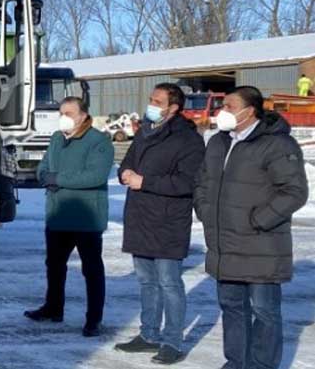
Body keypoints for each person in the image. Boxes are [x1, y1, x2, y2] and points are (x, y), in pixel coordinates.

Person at [194, 86, 308, 369]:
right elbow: (202, 182)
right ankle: (236, 362)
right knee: (232, 309)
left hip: (261, 245)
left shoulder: (277, 145)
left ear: (250, 111)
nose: (223, 112)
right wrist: (206, 211)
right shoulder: (218, 142)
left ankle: (262, 365)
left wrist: (259, 220)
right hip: (224, 244)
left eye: (230, 106)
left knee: (265, 311)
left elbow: (294, 191)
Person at [114, 83, 205, 365]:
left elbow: (188, 182)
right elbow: (126, 162)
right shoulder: (145, 131)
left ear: (173, 107)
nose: (151, 104)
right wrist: (125, 172)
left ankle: (172, 341)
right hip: (140, 217)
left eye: (157, 100)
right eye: (150, 99)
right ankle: (149, 334)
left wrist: (145, 182)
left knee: (169, 283)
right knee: (146, 282)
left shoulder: (187, 139)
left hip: (168, 220)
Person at [24, 97, 114, 337]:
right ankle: (53, 308)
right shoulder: (56, 138)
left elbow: (94, 176)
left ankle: (93, 318)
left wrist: (57, 179)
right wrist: (46, 176)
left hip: (86, 218)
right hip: (58, 214)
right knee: (54, 266)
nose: (64, 116)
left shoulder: (99, 141)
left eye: (70, 113)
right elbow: (43, 168)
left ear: (84, 115)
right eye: (62, 112)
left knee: (91, 269)